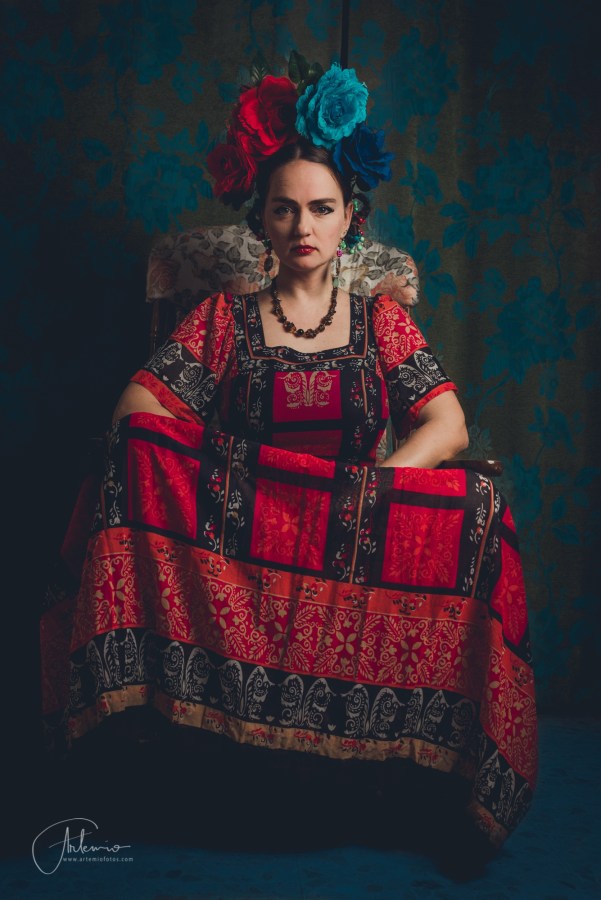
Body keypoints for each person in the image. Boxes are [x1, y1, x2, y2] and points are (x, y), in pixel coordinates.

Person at [41, 60, 537, 861]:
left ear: (349, 220)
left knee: (479, 508)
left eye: (321, 208)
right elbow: (138, 411)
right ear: (262, 222)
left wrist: (370, 490)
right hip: (244, 538)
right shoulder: (224, 318)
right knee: (129, 452)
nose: (302, 226)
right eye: (284, 209)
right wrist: (229, 471)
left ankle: (440, 779)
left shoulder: (378, 322)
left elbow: (445, 425)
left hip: (352, 532)